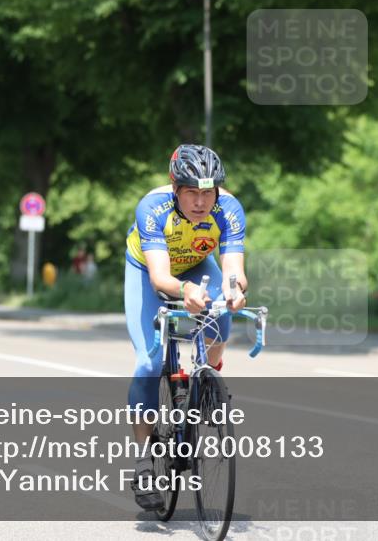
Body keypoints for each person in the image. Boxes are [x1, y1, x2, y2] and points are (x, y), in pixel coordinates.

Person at [123, 144, 247, 510]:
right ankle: (144, 461)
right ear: (174, 188)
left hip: (196, 265)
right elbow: (161, 278)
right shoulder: (152, 208)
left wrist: (235, 290)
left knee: (222, 321)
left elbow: (234, 269)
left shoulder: (230, 209)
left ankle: (206, 381)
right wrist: (186, 291)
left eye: (207, 192)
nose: (200, 201)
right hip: (148, 270)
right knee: (147, 363)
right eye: (191, 192)